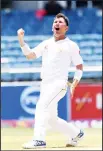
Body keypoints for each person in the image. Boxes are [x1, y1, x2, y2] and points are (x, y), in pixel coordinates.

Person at [17, 13, 84, 149]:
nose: (57, 24)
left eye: (60, 22)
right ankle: (76, 133)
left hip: (59, 83)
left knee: (41, 106)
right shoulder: (46, 43)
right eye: (55, 22)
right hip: (45, 84)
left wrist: (75, 82)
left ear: (66, 28)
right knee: (52, 120)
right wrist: (21, 40)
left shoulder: (71, 45)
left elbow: (79, 66)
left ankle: (39, 140)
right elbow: (30, 55)